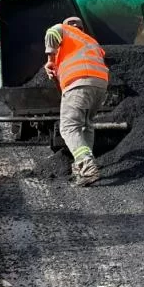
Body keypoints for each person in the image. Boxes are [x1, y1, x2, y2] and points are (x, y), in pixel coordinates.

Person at [44, 16, 109, 186]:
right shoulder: (91, 42)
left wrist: (50, 61)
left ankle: (86, 166)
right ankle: (83, 168)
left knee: (68, 127)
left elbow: (52, 32)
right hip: (100, 84)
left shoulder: (64, 30)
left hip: (79, 82)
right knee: (86, 125)